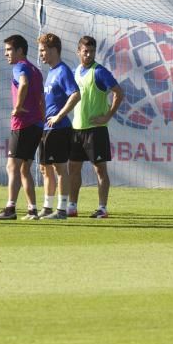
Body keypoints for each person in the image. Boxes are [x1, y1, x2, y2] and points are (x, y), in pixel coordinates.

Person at [68, 35, 124, 219]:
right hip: (77, 129)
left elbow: (119, 93)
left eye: (92, 51)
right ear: (78, 52)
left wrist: (107, 116)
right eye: (86, 51)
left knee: (100, 169)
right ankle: (72, 206)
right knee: (73, 168)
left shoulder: (99, 72)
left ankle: (102, 208)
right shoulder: (75, 71)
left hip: (96, 130)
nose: (89, 55)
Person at [0, 34, 44, 220]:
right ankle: (32, 210)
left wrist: (17, 106)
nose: (6, 54)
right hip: (36, 124)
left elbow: (24, 83)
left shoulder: (19, 67)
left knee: (12, 166)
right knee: (24, 169)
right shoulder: (36, 70)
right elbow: (41, 98)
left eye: (9, 50)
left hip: (23, 124)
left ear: (20, 50)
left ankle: (10, 209)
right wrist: (42, 119)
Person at [36, 32, 80, 220]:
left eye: (43, 50)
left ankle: (61, 210)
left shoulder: (63, 71)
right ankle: (47, 207)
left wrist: (59, 115)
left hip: (59, 128)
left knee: (60, 169)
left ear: (54, 50)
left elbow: (75, 94)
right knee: (46, 168)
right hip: (47, 129)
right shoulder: (51, 72)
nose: (41, 54)